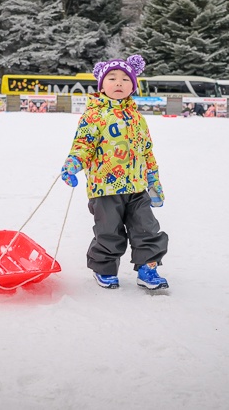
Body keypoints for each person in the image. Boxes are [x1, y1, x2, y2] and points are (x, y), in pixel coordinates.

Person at [60, 54, 170, 290]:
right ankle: (105, 269)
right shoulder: (94, 115)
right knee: (108, 231)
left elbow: (147, 153)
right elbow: (83, 145)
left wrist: (154, 184)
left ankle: (147, 269)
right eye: (112, 78)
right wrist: (72, 165)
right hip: (105, 187)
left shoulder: (137, 118)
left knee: (147, 228)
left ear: (133, 85)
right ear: (102, 85)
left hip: (138, 187)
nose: (118, 83)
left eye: (125, 79)